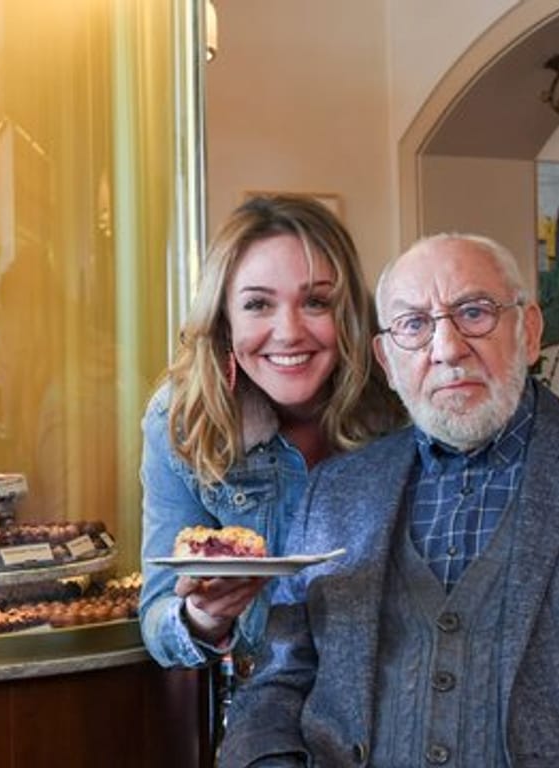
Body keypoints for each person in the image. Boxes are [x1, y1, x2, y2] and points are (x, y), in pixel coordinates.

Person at [219, 233, 559, 767]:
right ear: (387, 360)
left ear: (528, 331)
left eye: (474, 313)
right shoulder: (334, 490)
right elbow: (277, 685)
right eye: (414, 325)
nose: (448, 348)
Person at [138, 195, 404, 669]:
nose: (288, 332)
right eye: (258, 304)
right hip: (264, 698)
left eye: (316, 301)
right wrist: (203, 616)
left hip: (397, 692)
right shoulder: (182, 419)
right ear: (223, 320)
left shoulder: (401, 406)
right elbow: (158, 618)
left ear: (350, 314)